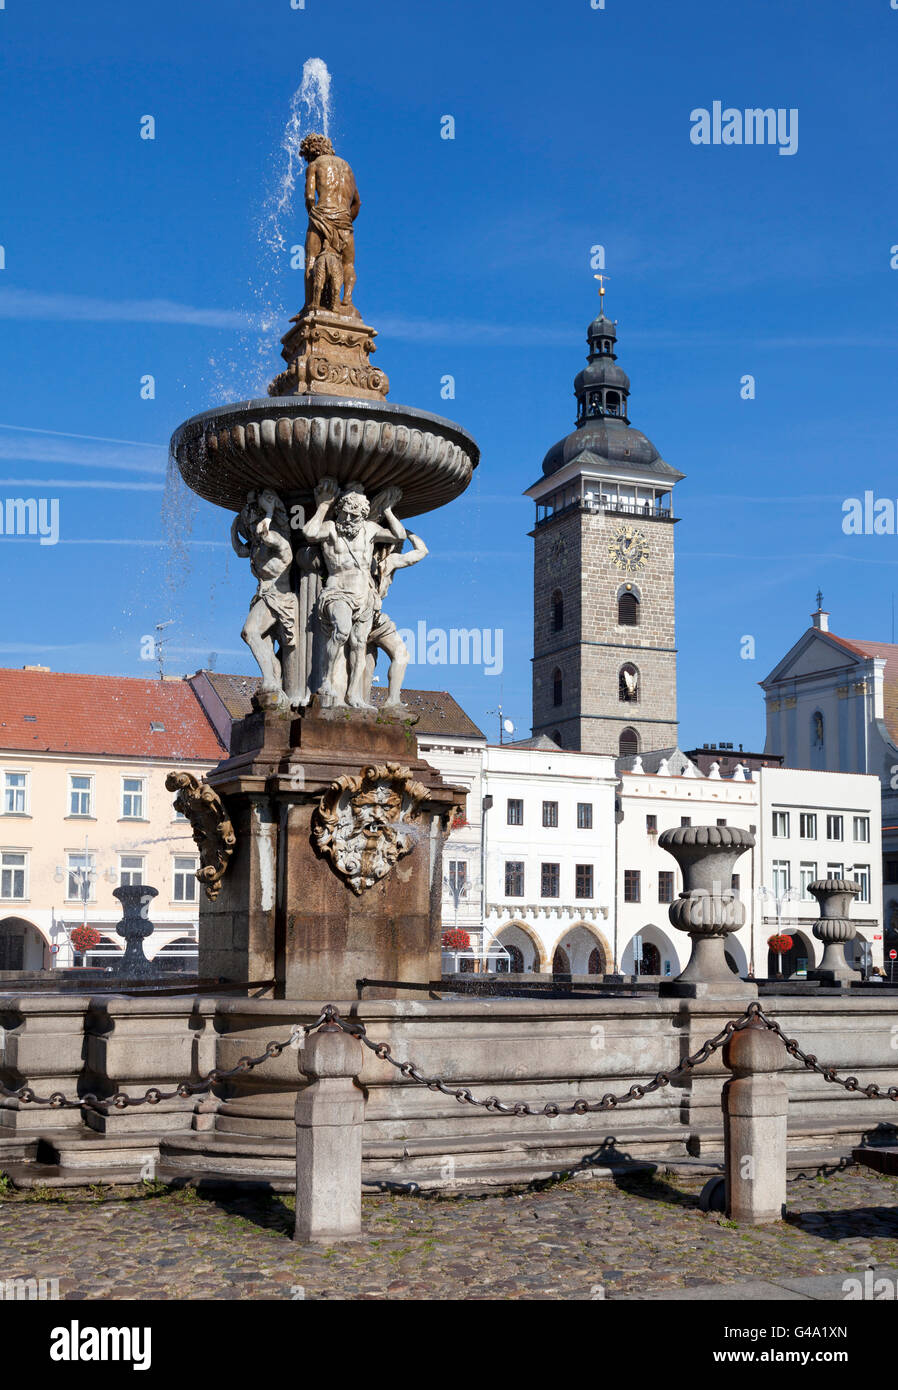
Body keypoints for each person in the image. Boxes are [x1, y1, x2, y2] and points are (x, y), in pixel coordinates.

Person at [301, 478, 405, 708]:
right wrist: (324, 505)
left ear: (363, 515)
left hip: (364, 596)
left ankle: (354, 695)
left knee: (359, 644)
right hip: (338, 592)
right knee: (342, 631)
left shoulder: (369, 529)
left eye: (354, 516)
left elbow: (399, 536)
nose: (347, 519)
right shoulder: (330, 528)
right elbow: (308, 531)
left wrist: (387, 511)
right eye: (344, 513)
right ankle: (326, 681)